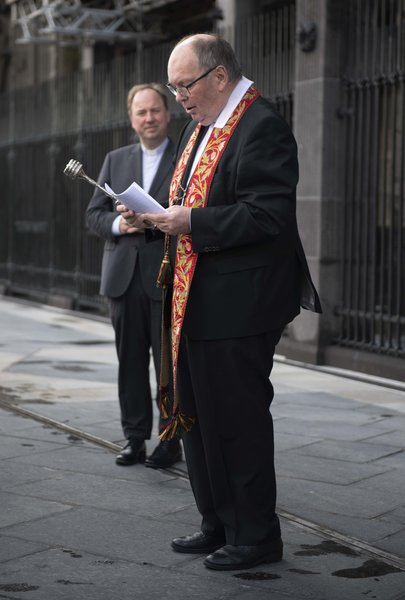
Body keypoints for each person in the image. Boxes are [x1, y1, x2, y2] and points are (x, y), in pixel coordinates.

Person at [120, 34, 322, 571]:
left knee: (237, 420)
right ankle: (217, 521)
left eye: (183, 85)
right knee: (199, 418)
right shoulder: (202, 127)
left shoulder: (261, 126)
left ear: (219, 77)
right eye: (173, 86)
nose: (178, 97)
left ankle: (255, 535)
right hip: (196, 298)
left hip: (241, 304)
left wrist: (191, 222)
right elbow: (191, 197)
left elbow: (267, 217)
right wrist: (160, 214)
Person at [86, 83, 182, 469]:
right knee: (129, 362)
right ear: (132, 118)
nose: (149, 118)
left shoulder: (183, 156)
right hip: (123, 277)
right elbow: (94, 215)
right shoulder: (115, 158)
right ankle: (134, 438)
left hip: (164, 275)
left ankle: (169, 438)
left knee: (167, 366)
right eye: (141, 112)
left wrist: (152, 221)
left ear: (167, 112)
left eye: (155, 110)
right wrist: (120, 226)